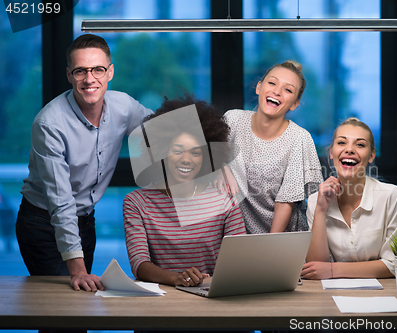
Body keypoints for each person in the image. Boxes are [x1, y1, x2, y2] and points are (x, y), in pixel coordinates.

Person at [16, 34, 153, 291]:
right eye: (80, 71)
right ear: (69, 75)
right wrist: (77, 269)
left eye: (98, 69)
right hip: (42, 223)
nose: (90, 79)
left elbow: (165, 131)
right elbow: (61, 200)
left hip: (86, 221)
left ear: (110, 72)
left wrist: (218, 167)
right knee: (62, 310)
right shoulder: (49, 124)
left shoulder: (124, 106)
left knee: (79, 307)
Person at [123, 95, 246, 287]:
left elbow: (240, 259)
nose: (186, 159)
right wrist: (175, 278)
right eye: (178, 150)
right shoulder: (137, 202)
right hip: (161, 299)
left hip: (212, 296)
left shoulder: (225, 198)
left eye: (195, 152)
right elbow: (139, 264)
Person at [301, 117, 397, 279]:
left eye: (360, 144)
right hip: (330, 296)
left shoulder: (390, 196)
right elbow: (315, 267)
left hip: (382, 294)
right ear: (331, 152)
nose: (349, 150)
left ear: (371, 156)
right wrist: (321, 210)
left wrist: (332, 270)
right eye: (342, 143)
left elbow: (396, 264)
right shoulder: (316, 201)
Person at [224, 60, 323, 234]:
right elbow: (202, 155)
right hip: (233, 235)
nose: (277, 91)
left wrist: (270, 249)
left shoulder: (299, 138)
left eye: (288, 90)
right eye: (272, 83)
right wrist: (221, 168)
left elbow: (285, 202)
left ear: (294, 103)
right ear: (258, 87)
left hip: (281, 238)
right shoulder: (232, 120)